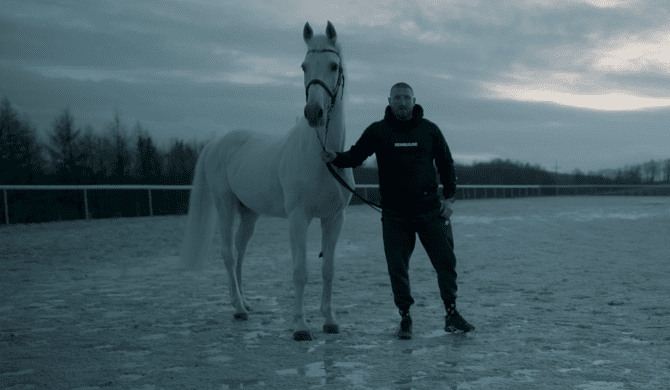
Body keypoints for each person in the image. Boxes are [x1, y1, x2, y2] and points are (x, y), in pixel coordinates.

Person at [321, 82, 474, 339]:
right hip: (395, 215)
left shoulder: (430, 130)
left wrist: (449, 199)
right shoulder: (378, 131)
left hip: (430, 212)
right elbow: (355, 157)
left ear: (414, 100)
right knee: (397, 268)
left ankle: (452, 314)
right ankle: (405, 319)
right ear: (389, 100)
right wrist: (333, 157)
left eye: (406, 98)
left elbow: (447, 164)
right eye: (397, 98)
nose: (402, 102)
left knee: (446, 264)